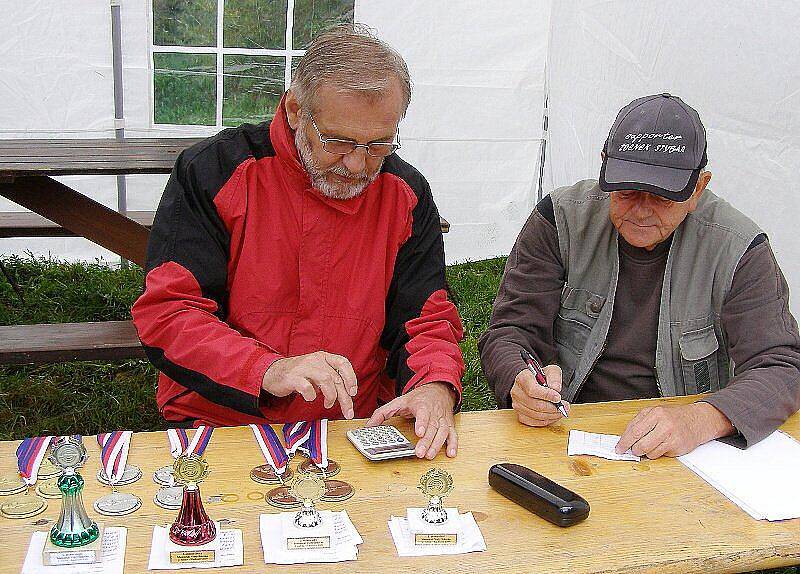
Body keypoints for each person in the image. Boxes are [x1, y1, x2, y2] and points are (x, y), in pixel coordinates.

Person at [132, 25, 464, 459]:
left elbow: (427, 319)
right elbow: (170, 313)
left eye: (379, 144)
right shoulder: (215, 170)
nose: (358, 164)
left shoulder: (405, 193)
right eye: (339, 141)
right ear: (294, 109)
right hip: (224, 421)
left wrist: (434, 385)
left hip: (354, 427)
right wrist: (269, 369)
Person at [479, 93, 800, 458]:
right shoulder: (560, 219)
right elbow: (510, 332)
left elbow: (781, 365)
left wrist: (701, 419)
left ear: (698, 188)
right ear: (604, 167)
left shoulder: (739, 249)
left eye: (663, 196)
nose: (643, 211)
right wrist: (519, 378)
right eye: (627, 190)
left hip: (686, 450)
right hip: (565, 429)